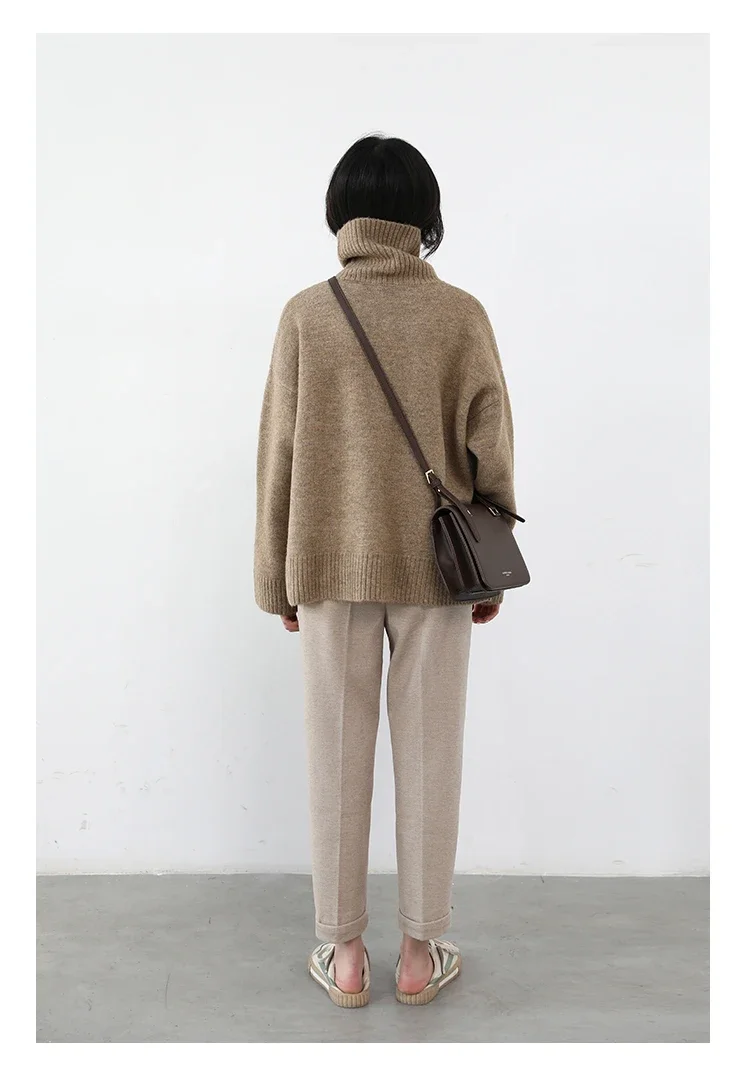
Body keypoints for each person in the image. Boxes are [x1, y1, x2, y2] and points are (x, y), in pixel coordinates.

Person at [254, 134, 516, 1008]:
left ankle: (344, 954)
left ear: (342, 214)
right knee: (432, 752)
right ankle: (416, 950)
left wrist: (276, 577)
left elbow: (279, 456)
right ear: (424, 218)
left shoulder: (306, 314)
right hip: (438, 570)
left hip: (327, 565)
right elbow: (490, 445)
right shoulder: (461, 314)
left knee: (334, 753)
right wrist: (489, 568)